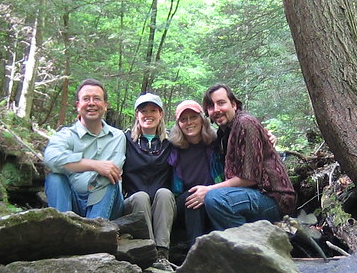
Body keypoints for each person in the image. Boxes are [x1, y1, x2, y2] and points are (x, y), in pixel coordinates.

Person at [185, 83, 296, 230]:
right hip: (249, 195)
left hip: (274, 198)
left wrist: (209, 189)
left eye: (221, 103)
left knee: (216, 199)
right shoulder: (224, 133)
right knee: (202, 200)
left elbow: (249, 178)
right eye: (211, 106)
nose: (216, 110)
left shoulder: (245, 123)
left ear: (234, 105)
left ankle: (248, 248)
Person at [43, 79, 125, 219]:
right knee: (55, 178)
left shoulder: (117, 137)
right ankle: (63, 226)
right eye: (86, 99)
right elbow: (51, 159)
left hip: (107, 201)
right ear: (78, 105)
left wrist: (71, 166)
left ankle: (96, 232)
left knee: (109, 177)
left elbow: (112, 171)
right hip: (72, 199)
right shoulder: (66, 134)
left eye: (97, 99)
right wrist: (94, 165)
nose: (91, 103)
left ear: (105, 106)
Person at [122, 93, 175, 259]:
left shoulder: (171, 142)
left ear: (161, 114)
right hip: (134, 201)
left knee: (165, 193)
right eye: (143, 110)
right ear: (137, 115)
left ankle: (162, 253)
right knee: (141, 197)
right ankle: (147, 252)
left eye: (153, 110)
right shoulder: (125, 140)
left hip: (162, 205)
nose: (148, 114)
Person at [167, 99, 221, 246]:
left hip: (213, 195)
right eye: (183, 119)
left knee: (201, 197)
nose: (189, 122)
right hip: (182, 202)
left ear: (202, 119)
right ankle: (195, 250)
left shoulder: (216, 143)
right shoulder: (172, 148)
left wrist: (267, 136)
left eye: (193, 117)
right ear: (178, 124)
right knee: (193, 196)